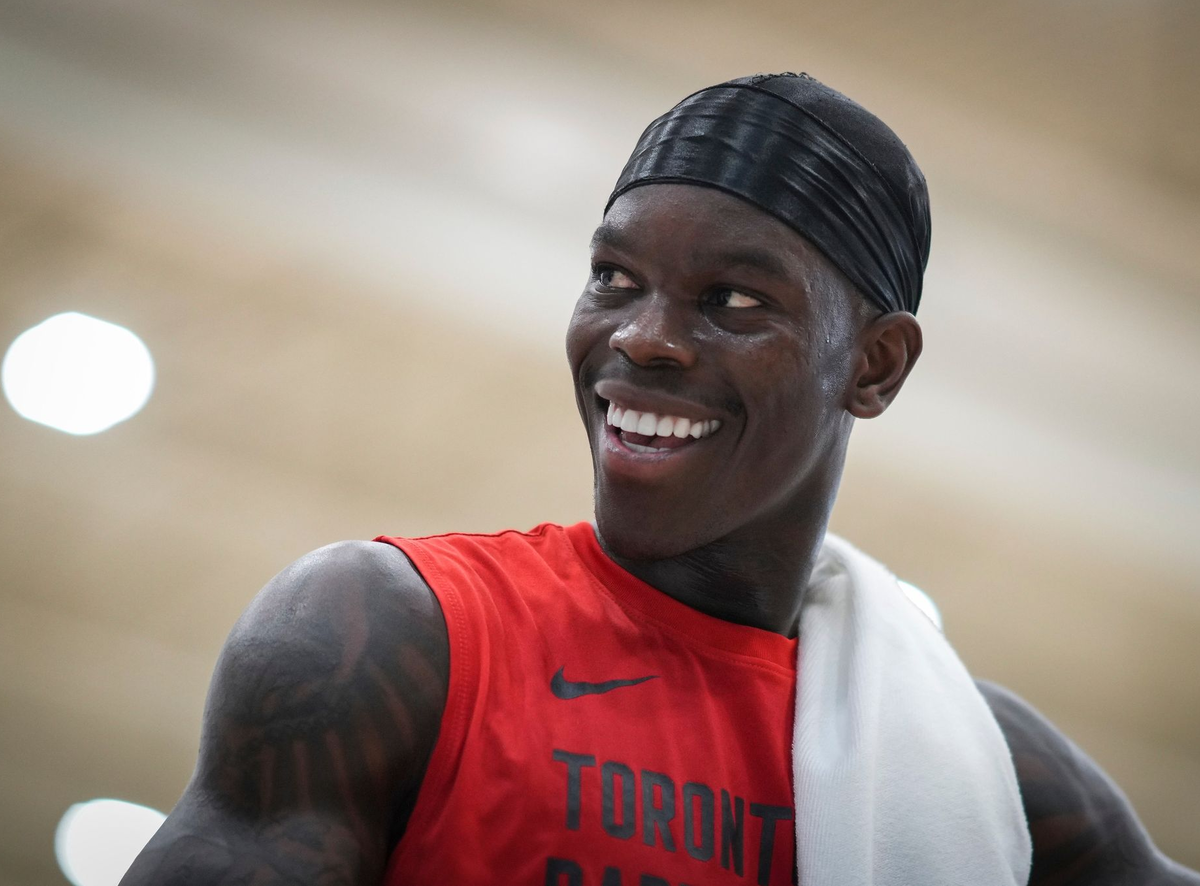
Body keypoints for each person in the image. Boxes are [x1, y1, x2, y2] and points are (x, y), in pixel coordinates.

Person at [120, 74, 1199, 886]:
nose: (643, 338)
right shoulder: (388, 634)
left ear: (874, 366)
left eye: (733, 300)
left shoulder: (995, 774)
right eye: (614, 277)